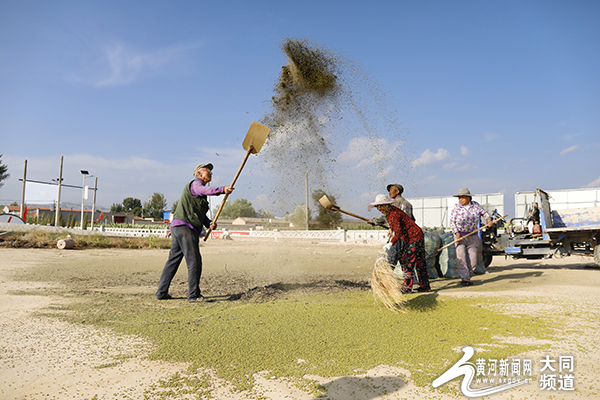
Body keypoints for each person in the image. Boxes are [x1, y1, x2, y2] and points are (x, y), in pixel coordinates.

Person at [156, 163, 233, 302]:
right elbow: (206, 190)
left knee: (173, 261)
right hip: (185, 228)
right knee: (194, 261)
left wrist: (209, 223)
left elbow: (200, 215)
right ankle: (194, 295)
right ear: (199, 174)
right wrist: (222, 189)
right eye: (207, 170)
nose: (210, 172)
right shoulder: (196, 185)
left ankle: (161, 293)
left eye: (210, 170)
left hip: (178, 227)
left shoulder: (200, 196)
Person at [369, 194, 431, 293]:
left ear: (387, 204)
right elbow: (397, 225)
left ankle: (407, 288)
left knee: (408, 262)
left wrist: (391, 243)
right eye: (377, 206)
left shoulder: (393, 214)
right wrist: (391, 228)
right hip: (416, 235)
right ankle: (425, 286)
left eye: (381, 205)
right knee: (419, 262)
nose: (379, 208)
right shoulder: (390, 212)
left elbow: (398, 232)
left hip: (413, 237)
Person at [449, 188, 493, 286]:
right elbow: (452, 222)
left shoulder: (476, 206)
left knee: (473, 260)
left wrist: (488, 220)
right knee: (461, 259)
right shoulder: (456, 207)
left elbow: (485, 214)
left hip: (472, 236)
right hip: (460, 236)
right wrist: (457, 234)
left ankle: (469, 277)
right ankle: (465, 279)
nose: (461, 200)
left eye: (463, 197)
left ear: (468, 197)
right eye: (459, 198)